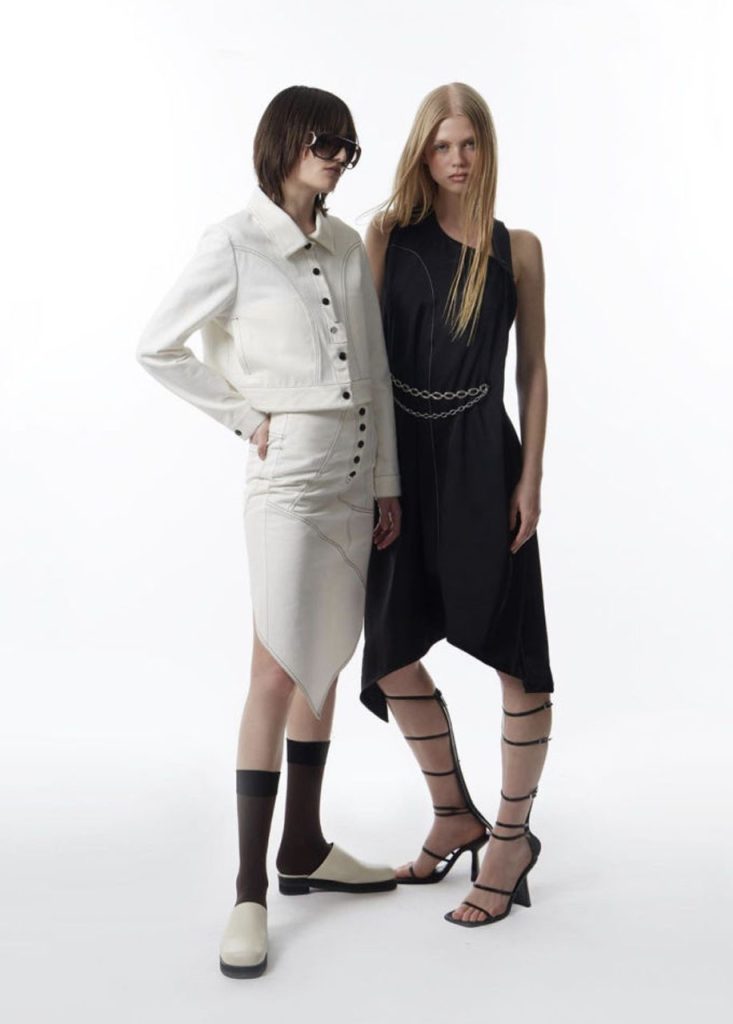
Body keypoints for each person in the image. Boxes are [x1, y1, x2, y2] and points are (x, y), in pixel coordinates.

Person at [137, 85, 402, 977]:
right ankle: (249, 889)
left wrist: (387, 483)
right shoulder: (232, 243)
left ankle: (304, 845)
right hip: (286, 484)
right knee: (276, 668)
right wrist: (246, 416)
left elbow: (375, 372)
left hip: (354, 481)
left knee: (324, 662)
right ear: (285, 141)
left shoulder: (348, 245)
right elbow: (157, 345)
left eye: (349, 148)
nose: (339, 159)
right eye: (327, 142)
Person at [360, 82, 554, 927]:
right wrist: (372, 477)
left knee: (514, 652)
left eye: (469, 143)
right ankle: (452, 814)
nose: (457, 159)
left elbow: (533, 371)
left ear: (486, 148)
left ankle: (508, 840)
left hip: (483, 459)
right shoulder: (387, 236)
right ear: (422, 152)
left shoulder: (519, 250)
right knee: (389, 649)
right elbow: (368, 366)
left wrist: (529, 479)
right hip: (404, 461)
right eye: (442, 145)